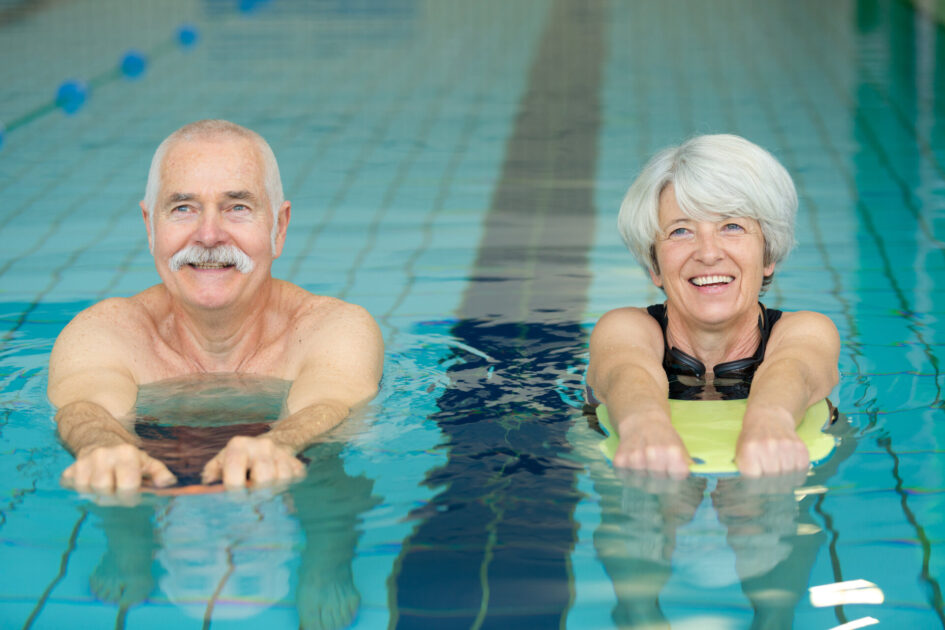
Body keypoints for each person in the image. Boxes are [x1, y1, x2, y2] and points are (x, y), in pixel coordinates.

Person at [47, 119, 384, 492]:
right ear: (150, 227)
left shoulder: (332, 328)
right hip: (147, 485)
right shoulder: (104, 332)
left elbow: (327, 404)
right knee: (118, 502)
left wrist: (278, 445)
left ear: (279, 227)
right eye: (183, 208)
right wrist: (103, 448)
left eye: (237, 207)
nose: (208, 235)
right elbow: (86, 408)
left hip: (299, 479)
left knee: (329, 492)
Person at [586, 134, 840, 477]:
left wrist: (771, 420)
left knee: (760, 501)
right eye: (680, 231)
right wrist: (643, 423)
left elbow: (793, 369)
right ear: (654, 265)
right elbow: (627, 372)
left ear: (768, 254)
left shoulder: (805, 330)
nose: (708, 253)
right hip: (634, 461)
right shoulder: (626, 329)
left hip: (782, 466)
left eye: (732, 226)